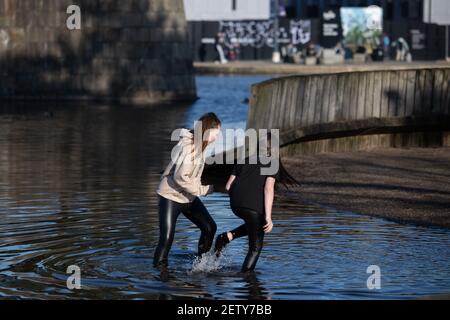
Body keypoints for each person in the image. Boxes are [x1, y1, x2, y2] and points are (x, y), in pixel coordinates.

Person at [214, 133, 301, 273]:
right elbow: (268, 189)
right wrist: (268, 217)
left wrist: (240, 198)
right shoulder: (272, 163)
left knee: (255, 223)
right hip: (252, 207)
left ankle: (227, 237)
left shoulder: (244, 160)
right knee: (255, 247)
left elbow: (228, 186)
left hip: (235, 204)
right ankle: (247, 278)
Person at [153, 112, 222, 267]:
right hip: (170, 197)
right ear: (207, 130)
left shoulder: (200, 146)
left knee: (210, 227)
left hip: (188, 197)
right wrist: (205, 189)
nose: (217, 137)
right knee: (166, 238)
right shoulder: (189, 146)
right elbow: (180, 177)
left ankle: (201, 264)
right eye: (216, 133)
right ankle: (159, 275)